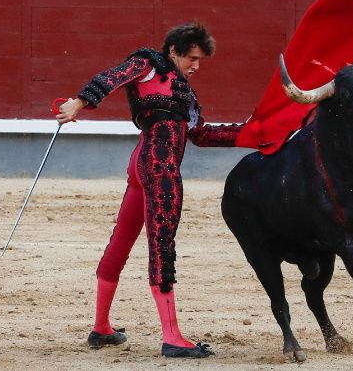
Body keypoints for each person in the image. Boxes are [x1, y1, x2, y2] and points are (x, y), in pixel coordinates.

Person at [56, 22, 243, 359]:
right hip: (159, 168)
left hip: (141, 165)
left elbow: (201, 134)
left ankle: (101, 328)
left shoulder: (185, 92)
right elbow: (112, 77)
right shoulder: (148, 64)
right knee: (161, 245)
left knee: (122, 241)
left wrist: (250, 134)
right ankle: (172, 337)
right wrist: (79, 103)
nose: (196, 66)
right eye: (192, 58)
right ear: (174, 51)